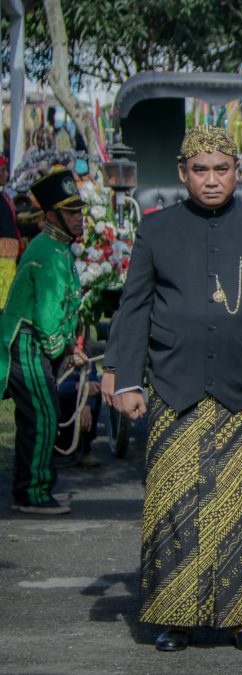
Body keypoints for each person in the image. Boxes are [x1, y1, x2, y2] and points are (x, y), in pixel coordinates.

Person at [109, 125, 242, 653]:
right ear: (182, 173)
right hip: (174, 389)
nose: (211, 180)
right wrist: (127, 379)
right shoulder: (156, 229)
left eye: (221, 169)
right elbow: (135, 307)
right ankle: (176, 616)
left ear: (238, 171)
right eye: (200, 170)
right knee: (175, 506)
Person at [0, 170, 85, 515]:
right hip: (27, 343)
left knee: (39, 416)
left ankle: (30, 487)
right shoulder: (49, 252)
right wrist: (62, 350)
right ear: (51, 216)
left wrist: (72, 347)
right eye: (71, 212)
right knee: (43, 416)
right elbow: (47, 314)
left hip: (35, 343)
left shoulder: (58, 247)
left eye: (80, 210)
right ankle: (32, 493)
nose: (79, 217)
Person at [0, 155, 20, 308]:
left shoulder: (5, 197)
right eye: (3, 170)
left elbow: (14, 226)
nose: (7, 174)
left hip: (10, 259)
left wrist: (36, 226)